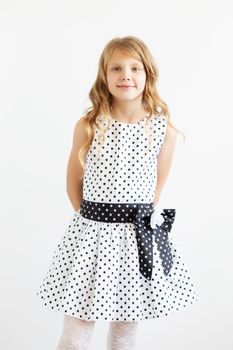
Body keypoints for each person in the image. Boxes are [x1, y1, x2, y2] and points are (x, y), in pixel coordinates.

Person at [37, 35, 199, 350]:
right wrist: (93, 223)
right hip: (91, 238)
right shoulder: (89, 124)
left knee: (125, 334)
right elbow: (73, 182)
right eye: (116, 69)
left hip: (135, 241)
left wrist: (129, 226)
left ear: (148, 74)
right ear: (104, 76)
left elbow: (156, 189)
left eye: (135, 68)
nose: (126, 75)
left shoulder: (162, 129)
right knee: (76, 332)